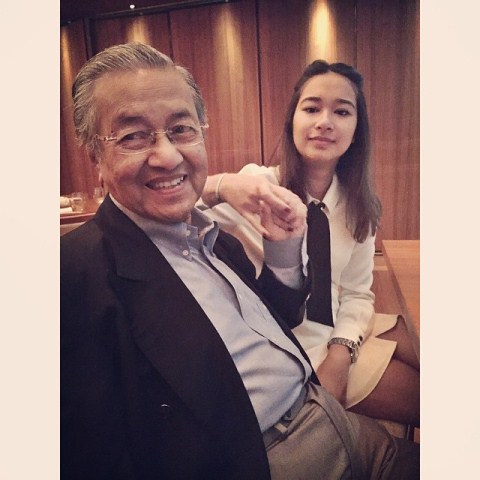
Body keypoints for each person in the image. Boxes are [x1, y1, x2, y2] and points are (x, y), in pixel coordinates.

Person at [61, 42, 419, 479]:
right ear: (95, 156)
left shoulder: (215, 241)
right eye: (132, 136)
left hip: (324, 407)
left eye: (181, 129)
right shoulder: (74, 274)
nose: (168, 155)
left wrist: (285, 251)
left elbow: (288, 309)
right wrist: (224, 185)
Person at [200, 60, 420, 427]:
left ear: (356, 131)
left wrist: (342, 351)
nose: (325, 122)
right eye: (312, 108)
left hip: (342, 329)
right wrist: (221, 185)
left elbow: (357, 293)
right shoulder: (258, 186)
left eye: (342, 111)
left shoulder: (361, 205)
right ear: (292, 121)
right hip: (295, 343)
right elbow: (174, 213)